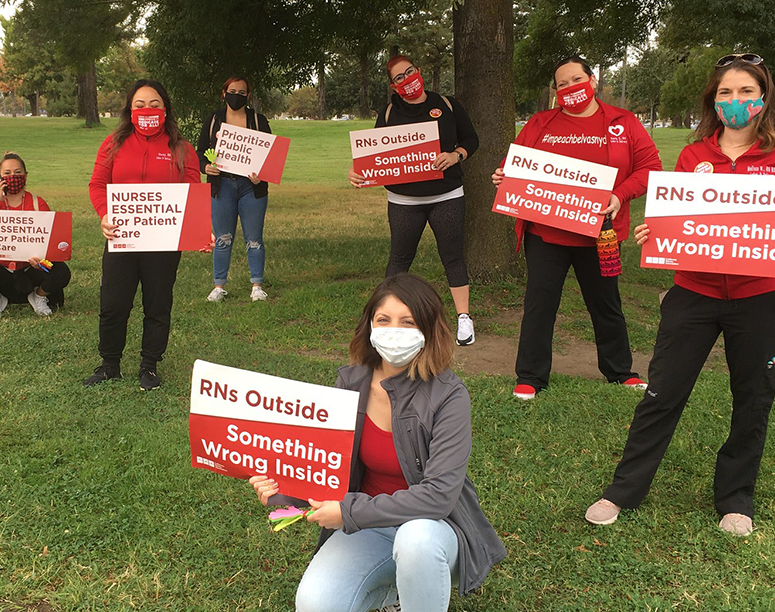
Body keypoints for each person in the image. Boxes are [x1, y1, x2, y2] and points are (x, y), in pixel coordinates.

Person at [584, 54, 775, 536]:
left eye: (744, 92)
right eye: (724, 93)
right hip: (693, 294)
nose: (734, 101)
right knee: (661, 393)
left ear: (762, 99)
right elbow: (677, 219)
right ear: (712, 102)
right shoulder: (694, 156)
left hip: (763, 298)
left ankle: (736, 498)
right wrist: (656, 233)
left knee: (753, 398)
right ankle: (624, 489)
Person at [249, 273, 506, 611]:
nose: (394, 331)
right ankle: (395, 592)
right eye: (383, 320)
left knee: (416, 543)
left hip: (435, 531)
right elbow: (324, 467)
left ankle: (416, 592)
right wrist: (282, 492)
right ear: (370, 326)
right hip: (368, 528)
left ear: (428, 331)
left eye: (408, 322)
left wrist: (347, 512)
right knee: (315, 604)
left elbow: (439, 496)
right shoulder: (350, 384)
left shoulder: (449, 395)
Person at [492, 55, 660, 400]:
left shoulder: (622, 122)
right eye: (562, 83)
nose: (570, 87)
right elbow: (514, 166)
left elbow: (649, 167)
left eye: (575, 79)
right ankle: (530, 376)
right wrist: (503, 177)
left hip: (600, 234)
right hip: (546, 234)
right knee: (540, 304)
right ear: (555, 91)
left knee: (606, 304)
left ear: (593, 80)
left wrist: (619, 195)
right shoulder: (540, 124)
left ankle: (620, 371)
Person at [348, 55, 480, 347]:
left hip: (447, 195)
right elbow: (374, 155)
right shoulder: (390, 112)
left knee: (453, 257)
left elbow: (471, 139)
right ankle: (383, 319)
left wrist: (455, 155)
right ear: (394, 87)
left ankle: (463, 318)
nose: (407, 79)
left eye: (409, 72)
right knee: (399, 259)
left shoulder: (446, 104)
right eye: (399, 77)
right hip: (403, 200)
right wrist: (357, 172)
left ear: (418, 72)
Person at [84, 80, 201, 392]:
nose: (146, 110)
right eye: (139, 105)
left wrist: (200, 229)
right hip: (122, 237)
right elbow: (97, 184)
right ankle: (109, 364)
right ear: (129, 109)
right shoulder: (113, 144)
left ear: (165, 109)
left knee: (158, 304)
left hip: (163, 242)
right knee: (113, 303)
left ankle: (149, 365)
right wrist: (105, 214)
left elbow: (192, 192)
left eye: (154, 104)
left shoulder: (181, 148)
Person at [0, 151, 71, 318]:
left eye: (18, 173)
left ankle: (39, 297)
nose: (13, 176)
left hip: (31, 264)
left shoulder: (37, 202)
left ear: (26, 176)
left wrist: (41, 258)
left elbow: (50, 237)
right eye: (7, 173)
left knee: (61, 271)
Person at [197, 76, 272, 302]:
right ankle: (219, 286)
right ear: (223, 93)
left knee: (254, 239)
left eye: (242, 92)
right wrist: (206, 167)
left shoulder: (258, 121)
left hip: (252, 188)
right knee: (223, 238)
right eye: (232, 91)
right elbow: (200, 152)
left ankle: (257, 286)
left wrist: (262, 176)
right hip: (222, 186)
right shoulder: (213, 120)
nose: (236, 96)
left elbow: (270, 156)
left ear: (248, 96)